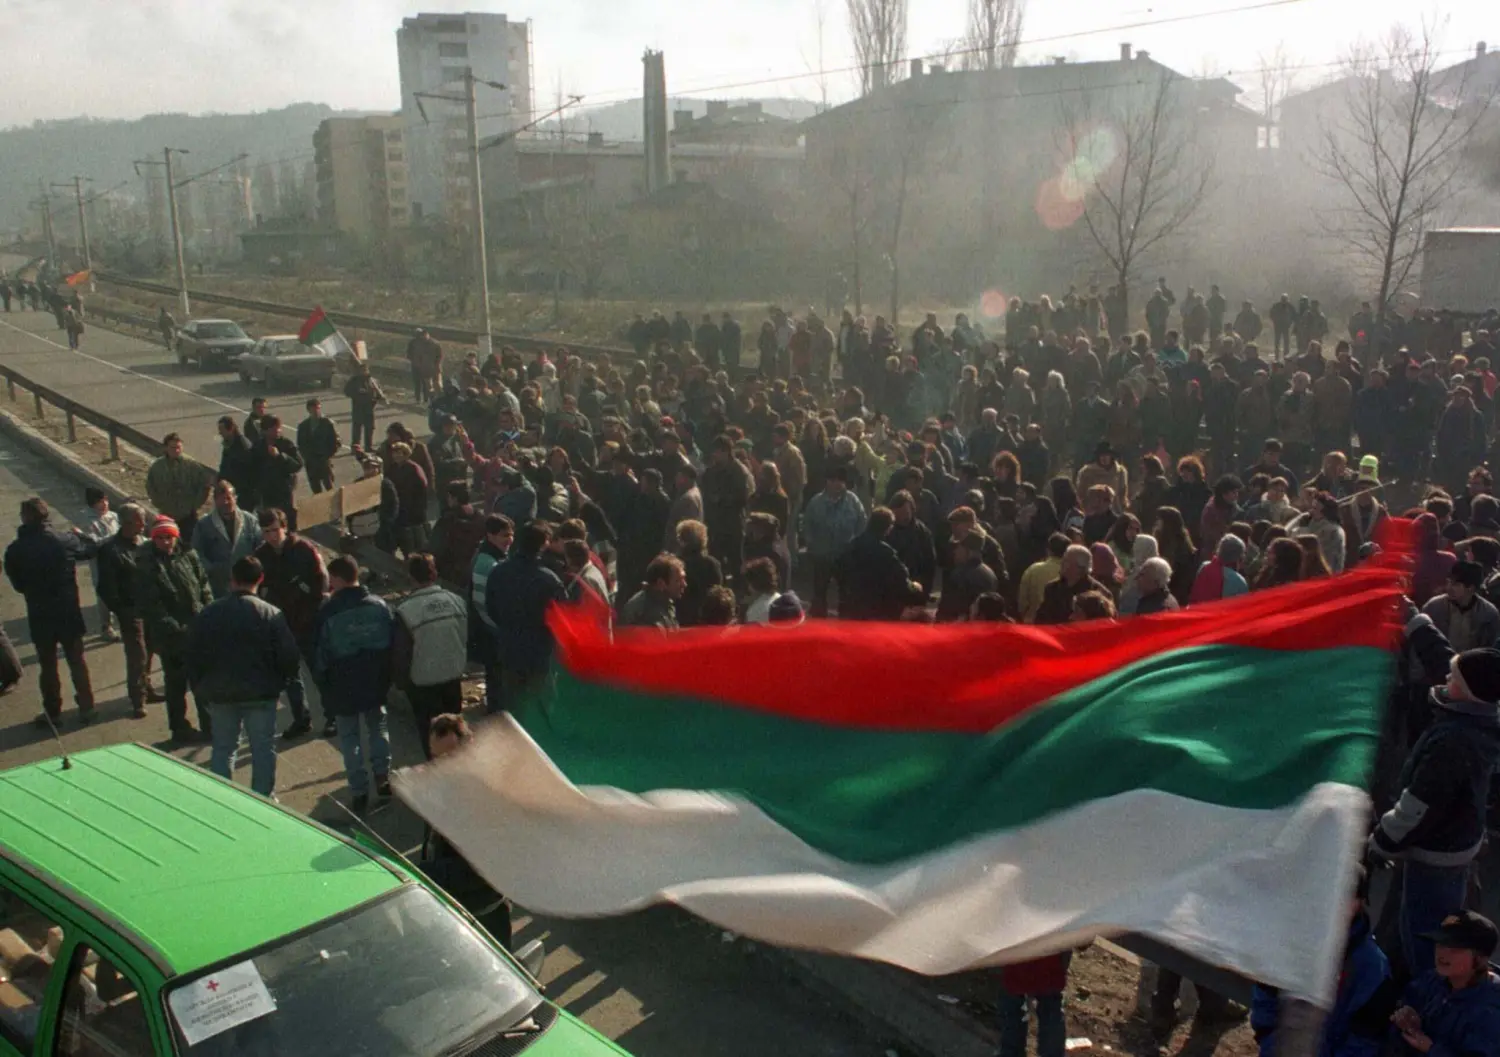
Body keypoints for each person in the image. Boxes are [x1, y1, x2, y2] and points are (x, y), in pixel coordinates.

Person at [1370, 638, 1500, 978]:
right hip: (1457, 851)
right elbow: (1455, 662)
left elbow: (1417, 806)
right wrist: (1416, 623)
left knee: (1423, 938)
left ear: (1469, 692)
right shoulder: (1481, 724)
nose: (1445, 681)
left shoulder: (1452, 743)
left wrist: (1381, 841)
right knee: (1413, 929)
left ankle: (1424, 1002)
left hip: (1433, 857)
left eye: (1453, 680)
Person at [1250, 865, 1393, 1057]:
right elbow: (1266, 996)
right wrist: (1270, 1044)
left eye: (1345, 897)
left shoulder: (1373, 966)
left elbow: (1366, 1038)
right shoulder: (1289, 942)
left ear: (1359, 903)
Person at [187, 556, 300, 797]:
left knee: (223, 749)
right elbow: (289, 656)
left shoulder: (209, 614)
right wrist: (280, 683)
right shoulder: (271, 614)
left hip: (219, 693)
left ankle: (223, 799)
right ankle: (262, 799)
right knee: (263, 749)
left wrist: (200, 688)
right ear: (260, 579)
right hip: (261, 693)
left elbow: (194, 655)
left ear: (232, 580)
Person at [4, 497, 97, 727]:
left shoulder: (16, 550)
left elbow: (17, 584)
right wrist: (81, 535)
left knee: (47, 664)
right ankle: (87, 707)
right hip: (67, 609)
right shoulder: (63, 540)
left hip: (39, 612)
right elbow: (89, 550)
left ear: (25, 518)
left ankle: (53, 711)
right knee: (76, 660)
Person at [312, 556, 395, 813]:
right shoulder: (379, 606)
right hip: (375, 680)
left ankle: (359, 791)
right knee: (377, 727)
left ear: (336, 578)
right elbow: (392, 643)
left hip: (342, 683)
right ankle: (382, 777)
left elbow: (321, 655)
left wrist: (325, 687)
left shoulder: (328, 612)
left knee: (349, 738)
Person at [254, 507, 333, 739]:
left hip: (308, 622)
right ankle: (301, 718)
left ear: (284, 527)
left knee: (318, 671)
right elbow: (260, 588)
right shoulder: (262, 556)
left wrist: (307, 601)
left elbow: (321, 583)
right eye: (266, 531)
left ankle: (332, 716)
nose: (271, 536)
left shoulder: (304, 550)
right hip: (281, 624)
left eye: (274, 530)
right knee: (291, 677)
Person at [135, 514, 214, 743]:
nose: (166, 542)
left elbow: (203, 584)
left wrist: (206, 611)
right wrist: (177, 628)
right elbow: (152, 606)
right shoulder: (147, 565)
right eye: (160, 538)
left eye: (169, 537)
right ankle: (180, 729)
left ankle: (210, 727)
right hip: (171, 638)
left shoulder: (188, 554)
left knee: (202, 683)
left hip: (197, 629)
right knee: (176, 685)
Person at [1390, 912, 1500, 1057]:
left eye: (1455, 949)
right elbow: (1407, 999)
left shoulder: (1491, 1009)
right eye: (1440, 943)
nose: (1443, 953)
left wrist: (1430, 1049)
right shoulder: (1433, 980)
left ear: (1479, 958)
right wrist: (1405, 1013)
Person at [484, 521, 566, 709]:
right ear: (543, 544)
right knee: (542, 705)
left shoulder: (498, 572)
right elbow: (561, 619)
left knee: (513, 703)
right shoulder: (549, 579)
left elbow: (491, 608)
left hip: (509, 646)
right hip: (540, 652)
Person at [393, 553, 468, 756]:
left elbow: (401, 654)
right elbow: (464, 635)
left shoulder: (405, 611)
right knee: (456, 730)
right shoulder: (456, 601)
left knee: (432, 734)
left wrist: (402, 683)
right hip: (453, 676)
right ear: (434, 574)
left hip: (423, 683)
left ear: (411, 577)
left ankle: (437, 772)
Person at [95, 502, 154, 717]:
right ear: (129, 522)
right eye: (141, 520)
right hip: (130, 611)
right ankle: (138, 698)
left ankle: (147, 688)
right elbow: (106, 587)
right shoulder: (110, 550)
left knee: (150, 650)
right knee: (137, 655)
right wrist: (122, 610)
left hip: (150, 607)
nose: (144, 523)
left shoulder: (145, 544)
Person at [802, 465, 867, 617]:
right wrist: (811, 546)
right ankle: (818, 625)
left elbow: (862, 523)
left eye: (840, 481)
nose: (837, 484)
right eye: (833, 480)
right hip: (822, 555)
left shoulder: (853, 501)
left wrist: (857, 546)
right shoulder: (815, 503)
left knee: (847, 593)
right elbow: (807, 526)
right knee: (819, 593)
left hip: (846, 555)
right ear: (826, 482)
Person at [191, 480, 262, 598]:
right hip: (218, 585)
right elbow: (196, 552)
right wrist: (211, 568)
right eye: (221, 499)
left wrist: (254, 568)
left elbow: (260, 545)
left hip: (247, 582)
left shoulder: (250, 520)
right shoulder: (204, 525)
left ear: (235, 498)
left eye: (229, 498)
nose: (226, 502)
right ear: (215, 501)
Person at [146, 432, 215, 540]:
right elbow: (150, 487)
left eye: (178, 447)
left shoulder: (191, 465)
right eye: (173, 447)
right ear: (166, 448)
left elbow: (204, 486)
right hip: (167, 514)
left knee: (190, 544)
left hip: (188, 516)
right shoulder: (157, 467)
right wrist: (160, 504)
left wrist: (194, 505)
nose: (176, 450)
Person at [78, 487, 119, 641]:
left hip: (118, 560)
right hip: (100, 563)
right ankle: (106, 626)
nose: (104, 504)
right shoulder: (86, 520)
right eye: (100, 502)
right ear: (92, 504)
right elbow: (93, 543)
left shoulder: (113, 516)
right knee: (104, 595)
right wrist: (116, 537)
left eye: (106, 500)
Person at [1035, 545, 1109, 624]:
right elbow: (1040, 619)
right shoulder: (1052, 588)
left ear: (1080, 568)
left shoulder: (1099, 593)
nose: (1062, 563)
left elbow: (1105, 625)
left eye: (1066, 561)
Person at [620, 553, 686, 630]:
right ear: (661, 583)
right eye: (678, 580)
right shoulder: (645, 615)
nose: (684, 584)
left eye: (683, 579)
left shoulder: (664, 602)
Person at [296, 398, 341, 494]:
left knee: (329, 488)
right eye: (314, 409)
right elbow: (301, 444)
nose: (316, 411)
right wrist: (307, 457)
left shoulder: (327, 423)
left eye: (318, 408)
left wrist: (327, 456)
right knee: (316, 490)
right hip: (311, 462)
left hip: (324, 461)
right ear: (309, 410)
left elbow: (336, 442)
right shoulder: (303, 426)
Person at [344, 360, 387, 450]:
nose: (364, 372)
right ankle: (356, 446)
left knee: (370, 428)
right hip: (358, 407)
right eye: (362, 370)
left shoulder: (373, 381)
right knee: (357, 428)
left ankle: (368, 446)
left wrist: (381, 397)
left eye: (365, 370)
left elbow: (378, 392)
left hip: (370, 408)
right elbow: (347, 391)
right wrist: (357, 395)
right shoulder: (354, 381)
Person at [406, 328, 443, 402]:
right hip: (422, 366)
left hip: (426, 367)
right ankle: (422, 399)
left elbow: (439, 356)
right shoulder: (416, 343)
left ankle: (424, 399)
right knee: (422, 384)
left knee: (425, 384)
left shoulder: (425, 343)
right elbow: (410, 354)